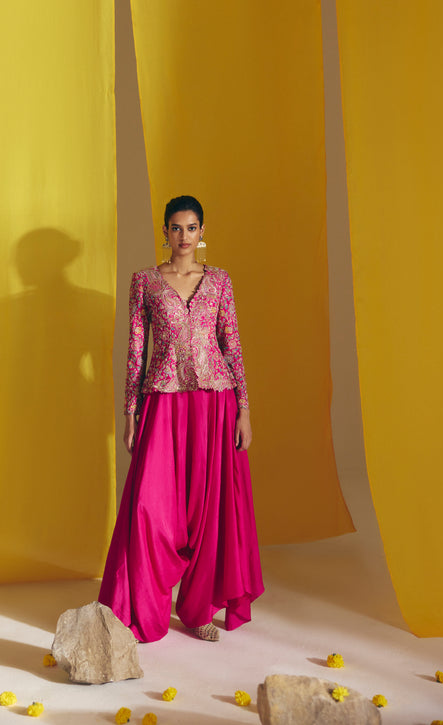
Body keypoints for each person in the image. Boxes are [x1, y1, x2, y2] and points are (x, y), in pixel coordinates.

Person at [98, 195, 264, 642]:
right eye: (176, 228)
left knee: (209, 510)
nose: (184, 236)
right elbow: (136, 351)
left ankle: (197, 610)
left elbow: (232, 344)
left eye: (191, 228)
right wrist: (130, 412)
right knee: (149, 507)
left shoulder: (220, 281)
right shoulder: (145, 282)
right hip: (163, 400)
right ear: (165, 232)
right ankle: (140, 608)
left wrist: (244, 409)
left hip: (215, 402)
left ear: (202, 232)